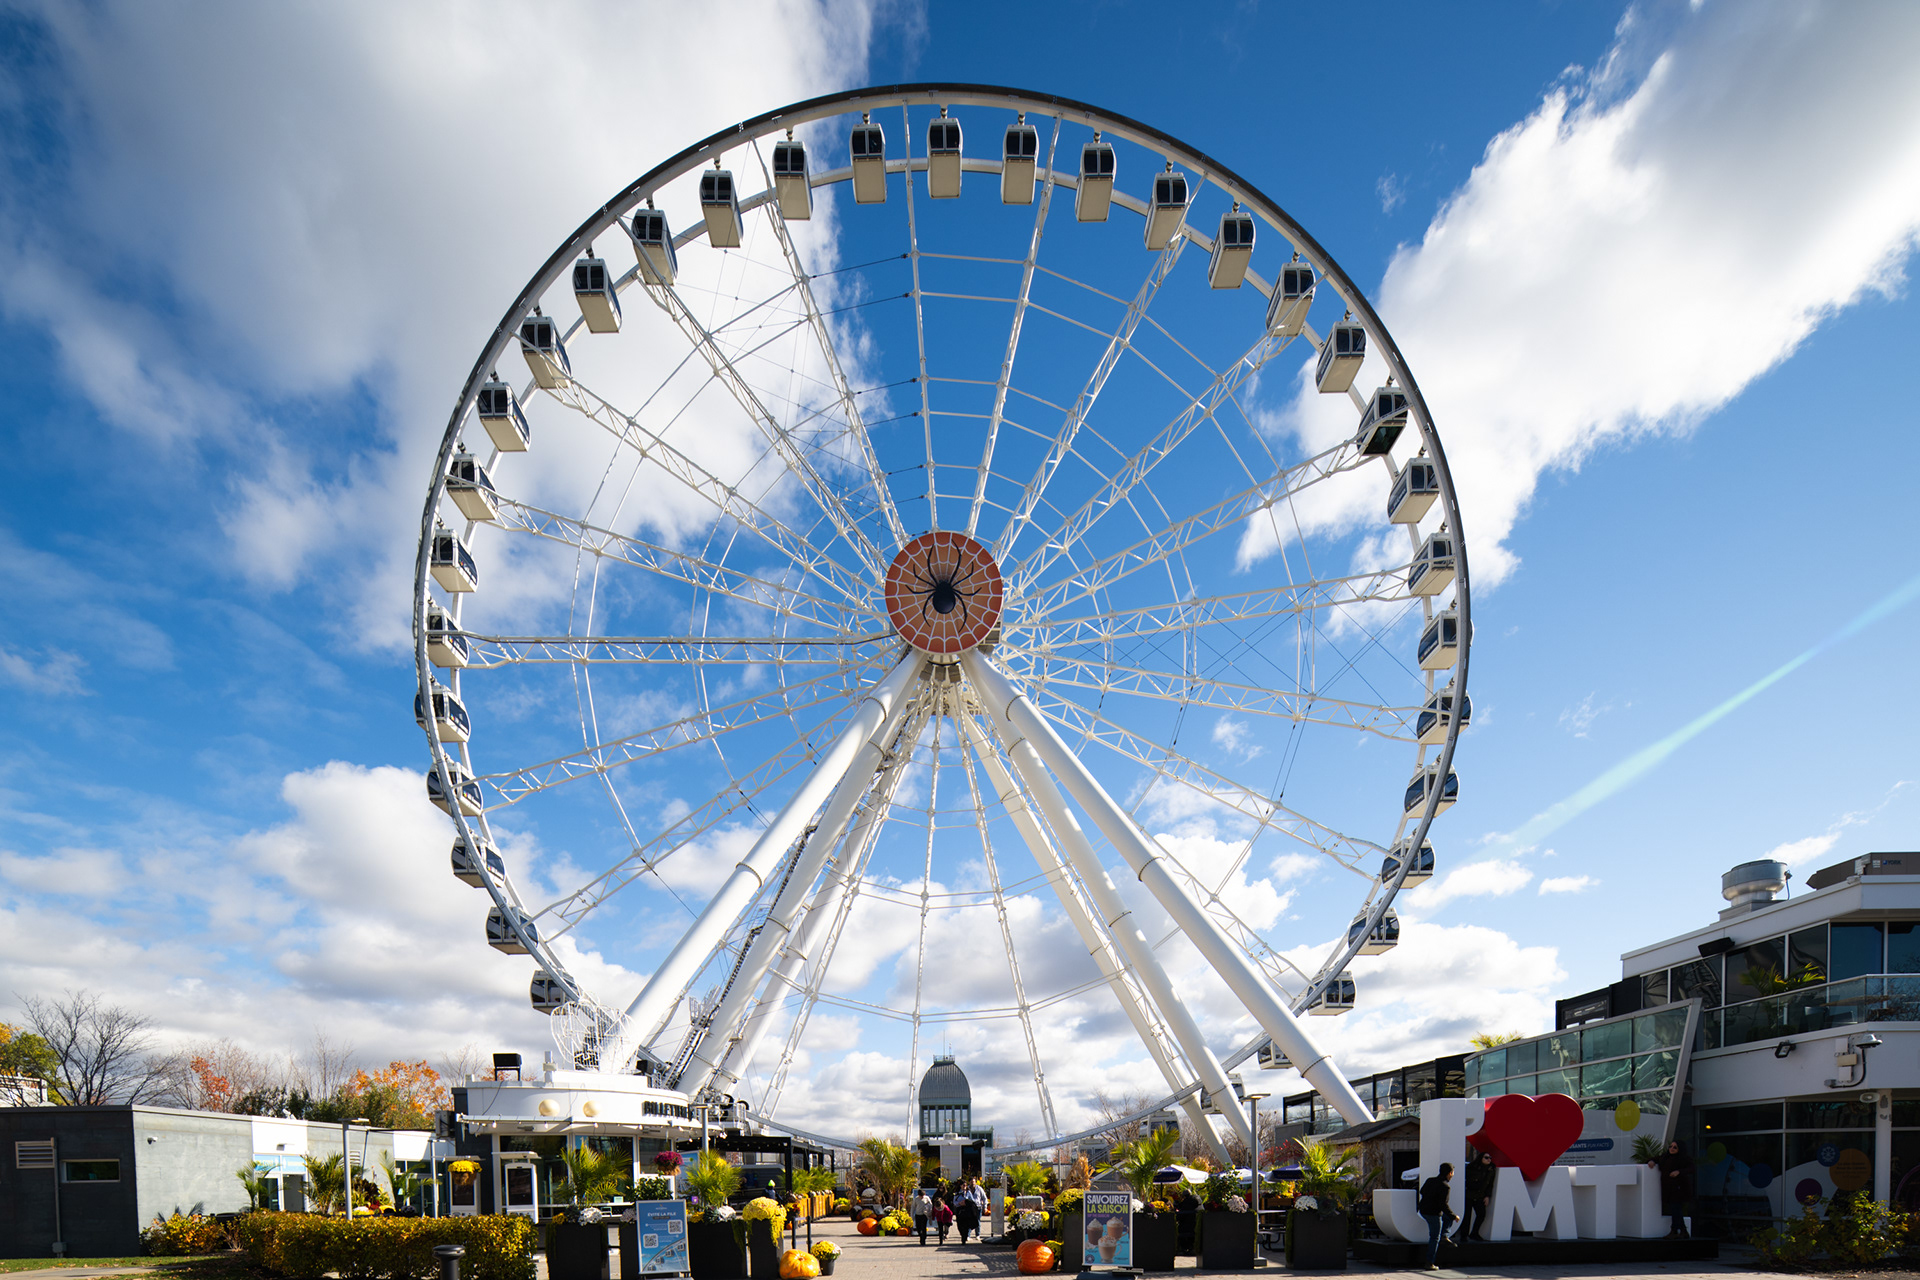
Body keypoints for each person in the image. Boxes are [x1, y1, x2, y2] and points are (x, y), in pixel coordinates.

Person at [1417, 1163, 1458, 1270]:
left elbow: (1422, 1191)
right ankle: (1429, 1262)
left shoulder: (1430, 1180)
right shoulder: (1445, 1186)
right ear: (1450, 1173)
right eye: (1453, 1172)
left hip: (1423, 1210)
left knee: (1447, 1218)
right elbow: (1443, 1205)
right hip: (1433, 1213)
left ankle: (1444, 1235)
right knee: (1434, 1238)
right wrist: (1454, 1216)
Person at [1653, 1140, 1695, 1238]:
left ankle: (1675, 1230)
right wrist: (1651, 1161)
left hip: (1679, 1188)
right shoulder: (1665, 1157)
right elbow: (1656, 1159)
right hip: (1669, 1188)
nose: (1671, 1149)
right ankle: (1683, 1230)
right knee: (1675, 1209)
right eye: (1671, 1146)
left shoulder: (1683, 1159)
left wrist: (1679, 1172)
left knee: (1675, 1208)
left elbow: (1692, 1168)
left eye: (1675, 1147)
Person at [1456, 1151, 1495, 1243]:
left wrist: (1487, 1196)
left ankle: (1474, 1233)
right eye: (1486, 1157)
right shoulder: (1472, 1168)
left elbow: (1490, 1184)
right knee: (1467, 1216)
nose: (1489, 1159)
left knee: (1481, 1214)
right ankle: (1464, 1235)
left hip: (1480, 1195)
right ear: (1480, 1158)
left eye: (1490, 1157)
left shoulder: (1490, 1170)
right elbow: (1468, 1181)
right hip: (1469, 1195)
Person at [955, 1176, 986, 1244]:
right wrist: (959, 1203)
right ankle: (964, 1235)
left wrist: (966, 1202)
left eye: (965, 1185)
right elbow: (954, 1202)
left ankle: (969, 1236)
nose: (965, 1186)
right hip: (960, 1211)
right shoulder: (957, 1193)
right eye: (963, 1185)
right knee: (960, 1225)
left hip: (968, 1210)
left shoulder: (969, 1192)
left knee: (970, 1223)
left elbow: (972, 1200)